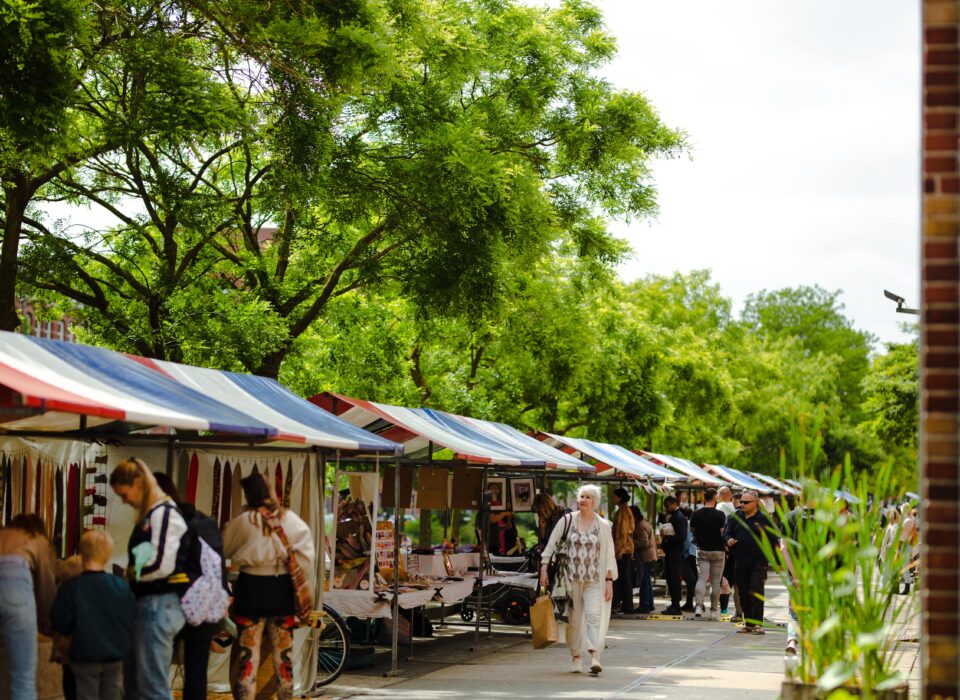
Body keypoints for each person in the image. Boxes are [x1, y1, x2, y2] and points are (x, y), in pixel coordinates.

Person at [223, 472, 315, 700]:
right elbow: (306, 562)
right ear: (272, 491)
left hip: (249, 588)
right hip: (281, 589)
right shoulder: (292, 521)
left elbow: (224, 548)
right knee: (283, 658)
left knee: (248, 658)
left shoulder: (244, 520)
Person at [110, 457, 188, 700]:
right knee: (139, 684)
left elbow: (162, 564)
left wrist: (134, 573)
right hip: (150, 605)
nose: (124, 501)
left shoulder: (163, 513)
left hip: (158, 605)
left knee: (152, 687)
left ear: (137, 483)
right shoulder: (154, 514)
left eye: (124, 494)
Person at [154, 473, 226, 700]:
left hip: (170, 603)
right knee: (196, 674)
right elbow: (218, 561)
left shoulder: (164, 522)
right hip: (201, 605)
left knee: (159, 669)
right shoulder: (201, 520)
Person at [538, 484, 617, 676]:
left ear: (595, 502)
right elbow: (550, 546)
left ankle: (595, 655)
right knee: (574, 620)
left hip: (594, 580)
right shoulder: (567, 521)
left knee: (594, 616)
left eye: (588, 497)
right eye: (582, 496)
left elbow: (609, 555)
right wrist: (544, 568)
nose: (584, 500)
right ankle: (576, 656)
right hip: (570, 579)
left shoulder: (603, 525)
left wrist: (609, 581)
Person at [51, 530, 135, 700]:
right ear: (108, 555)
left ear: (81, 554)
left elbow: (60, 622)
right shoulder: (121, 586)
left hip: (84, 655)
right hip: (115, 655)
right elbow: (131, 620)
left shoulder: (72, 587)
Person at [0, 513, 58, 700]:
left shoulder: (2, 534)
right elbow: (46, 585)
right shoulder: (37, 539)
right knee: (22, 682)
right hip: (15, 590)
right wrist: (49, 621)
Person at [723, 489, 779, 634]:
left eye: (746, 502)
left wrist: (776, 559)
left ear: (755, 503)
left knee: (756, 591)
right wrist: (728, 540)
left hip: (758, 562)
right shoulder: (735, 517)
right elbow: (726, 533)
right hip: (740, 561)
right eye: (741, 502)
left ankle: (757, 624)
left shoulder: (764, 518)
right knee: (743, 593)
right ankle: (748, 623)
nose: (742, 504)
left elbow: (774, 539)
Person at [689, 488, 726, 620]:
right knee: (716, 581)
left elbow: (693, 530)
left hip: (702, 550)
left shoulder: (696, 514)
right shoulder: (721, 515)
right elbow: (723, 533)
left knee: (702, 578)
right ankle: (714, 611)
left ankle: (698, 606)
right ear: (715, 497)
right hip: (718, 551)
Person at [659, 496, 687, 615]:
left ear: (674, 504)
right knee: (671, 579)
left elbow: (681, 536)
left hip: (675, 553)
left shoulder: (678, 517)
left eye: (667, 506)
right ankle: (674, 603)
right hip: (672, 553)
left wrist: (666, 537)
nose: (666, 509)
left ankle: (676, 605)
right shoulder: (674, 516)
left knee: (674, 579)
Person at [716, 486, 740, 618]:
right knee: (737, 581)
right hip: (737, 549)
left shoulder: (720, 507)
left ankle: (724, 608)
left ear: (720, 495)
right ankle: (739, 610)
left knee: (725, 580)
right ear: (730, 495)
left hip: (725, 549)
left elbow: (720, 531)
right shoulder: (738, 511)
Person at [611, 488, 635, 614]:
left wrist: (617, 552)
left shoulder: (623, 511)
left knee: (623, 578)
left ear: (619, 497)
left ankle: (627, 606)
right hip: (625, 548)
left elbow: (622, 534)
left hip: (623, 549)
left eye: (614, 496)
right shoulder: (623, 510)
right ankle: (625, 605)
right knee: (623, 578)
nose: (612, 498)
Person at [630, 506, 657, 614]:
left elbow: (644, 542)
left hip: (646, 556)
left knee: (644, 581)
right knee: (647, 581)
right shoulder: (644, 522)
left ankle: (645, 605)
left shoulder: (640, 525)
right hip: (649, 555)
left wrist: (631, 542)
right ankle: (649, 604)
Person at [680, 507, 698, 612]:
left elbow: (687, 541)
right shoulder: (691, 523)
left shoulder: (686, 524)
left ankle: (690, 603)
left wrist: (684, 553)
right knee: (692, 580)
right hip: (693, 553)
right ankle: (691, 602)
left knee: (691, 580)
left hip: (688, 554)